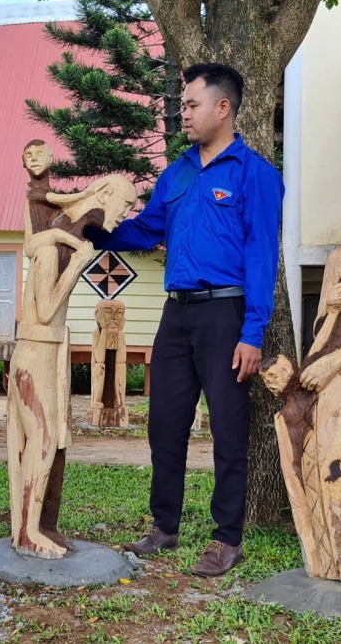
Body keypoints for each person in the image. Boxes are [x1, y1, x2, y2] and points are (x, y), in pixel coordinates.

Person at [84, 63, 285, 577]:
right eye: (183, 105)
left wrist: (252, 333)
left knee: (228, 429)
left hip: (226, 313)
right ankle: (164, 527)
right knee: (164, 423)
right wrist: (96, 231)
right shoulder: (175, 173)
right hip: (177, 314)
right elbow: (148, 229)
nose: (184, 113)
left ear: (224, 108)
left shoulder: (255, 174)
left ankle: (226, 538)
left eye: (192, 105)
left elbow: (262, 254)